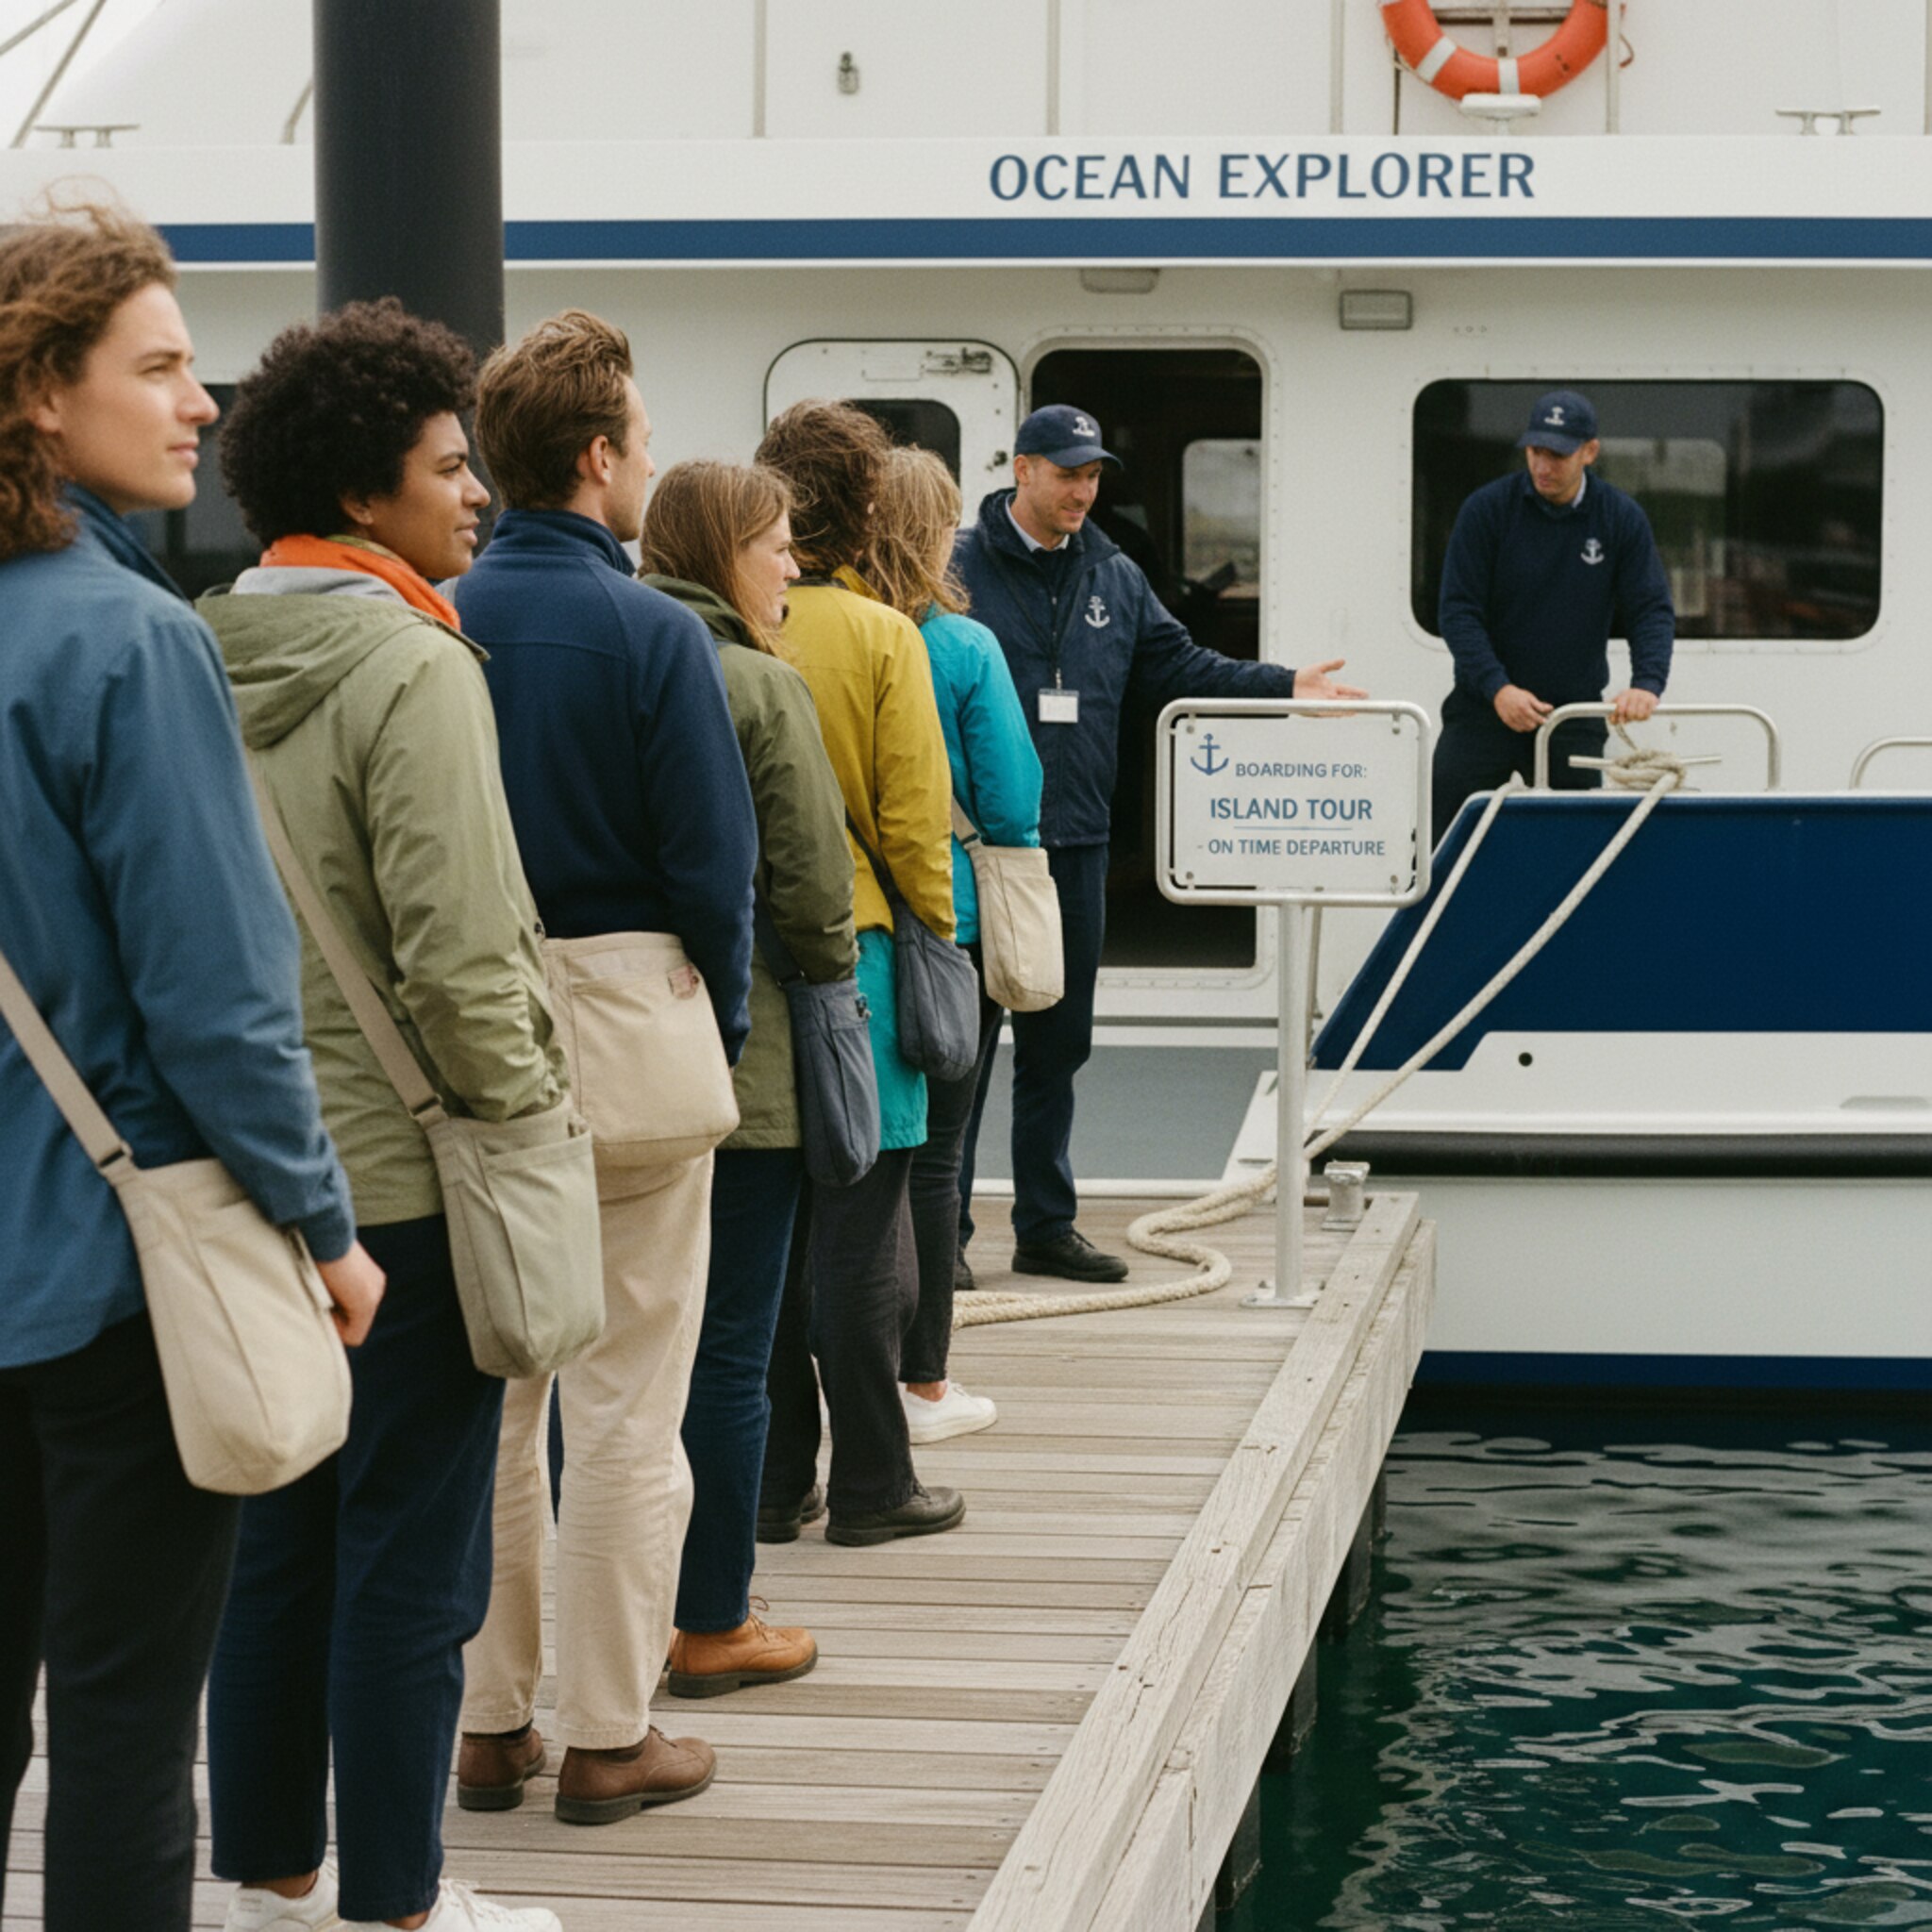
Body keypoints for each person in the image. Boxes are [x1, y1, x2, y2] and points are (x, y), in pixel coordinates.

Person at [0, 202, 379, 1932]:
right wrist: (324, 1228)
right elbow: (220, 1007)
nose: (202, 402)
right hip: (111, 1279)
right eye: (155, 366)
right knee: (128, 1724)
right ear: (36, 398)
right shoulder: (132, 644)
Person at [196, 301, 565, 1932]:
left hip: (257, 1171)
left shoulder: (199, 648)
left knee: (277, 1545)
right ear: (364, 494)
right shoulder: (412, 662)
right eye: (445, 465)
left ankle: (272, 1872)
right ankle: (401, 1905)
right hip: (411, 1182)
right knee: (416, 1564)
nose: (475, 492)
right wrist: (528, 1113)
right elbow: (467, 952)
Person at [449, 314, 756, 1814]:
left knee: (500, 1402)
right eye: (636, 436)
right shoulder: (655, 634)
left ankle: (491, 1720)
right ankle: (611, 1735)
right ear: (597, 456)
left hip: (474, 1036)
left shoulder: (433, 618)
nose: (646, 458)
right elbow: (716, 866)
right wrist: (728, 1022)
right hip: (637, 1022)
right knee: (631, 1403)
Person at [953, 404, 1364, 1283]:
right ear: (1021, 470)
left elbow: (1179, 667)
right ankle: (943, 1233)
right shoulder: (955, 568)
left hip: (1078, 841)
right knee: (968, 1042)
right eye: (1067, 473)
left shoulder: (1112, 571)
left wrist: (1283, 684)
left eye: (1093, 474)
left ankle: (1044, 1227)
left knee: (1059, 1044)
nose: (1083, 490)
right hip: (979, 845)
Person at [638, 458, 857, 1690]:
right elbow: (816, 899)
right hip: (747, 1067)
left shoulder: (610, 662)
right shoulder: (758, 686)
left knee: (615, 1358)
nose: (791, 569)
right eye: (776, 548)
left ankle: (620, 1603)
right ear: (725, 551)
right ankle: (714, 1614)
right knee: (730, 1349)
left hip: (605, 1068)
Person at [753, 400, 966, 1548]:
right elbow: (914, 824)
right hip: (868, 962)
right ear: (869, 504)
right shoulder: (884, 638)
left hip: (757, 966)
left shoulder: (737, 629)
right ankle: (877, 1480)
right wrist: (940, 940)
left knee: (777, 1238)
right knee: (860, 1229)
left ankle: (779, 1479)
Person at [866, 443, 1040, 1440]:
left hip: (845, 931)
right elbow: (1013, 804)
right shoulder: (960, 646)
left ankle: (840, 1374)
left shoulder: (803, 627)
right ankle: (923, 1380)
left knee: (849, 1166)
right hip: (948, 934)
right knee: (933, 1162)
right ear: (936, 535)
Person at [1432, 388, 1674, 836]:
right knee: (1444, 842)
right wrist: (1498, 688)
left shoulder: (1620, 517)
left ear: (1590, 452)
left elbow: (1650, 610)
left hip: (1573, 718)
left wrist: (1647, 683)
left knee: (1573, 850)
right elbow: (1458, 611)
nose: (1543, 466)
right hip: (1483, 713)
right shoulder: (1487, 511)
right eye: (1535, 451)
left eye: (1558, 455)